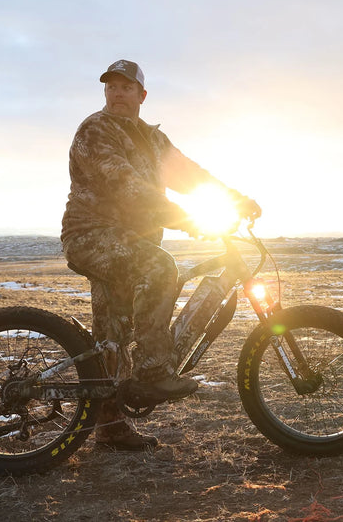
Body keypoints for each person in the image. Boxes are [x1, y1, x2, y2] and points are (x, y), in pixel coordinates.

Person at [61, 59, 259, 451]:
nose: (117, 93)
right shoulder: (95, 130)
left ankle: (111, 426)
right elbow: (125, 184)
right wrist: (184, 218)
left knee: (114, 333)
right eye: (111, 87)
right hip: (91, 234)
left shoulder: (153, 140)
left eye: (126, 87)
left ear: (142, 95)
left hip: (131, 239)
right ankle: (153, 371)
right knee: (159, 268)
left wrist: (234, 200)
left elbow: (189, 174)